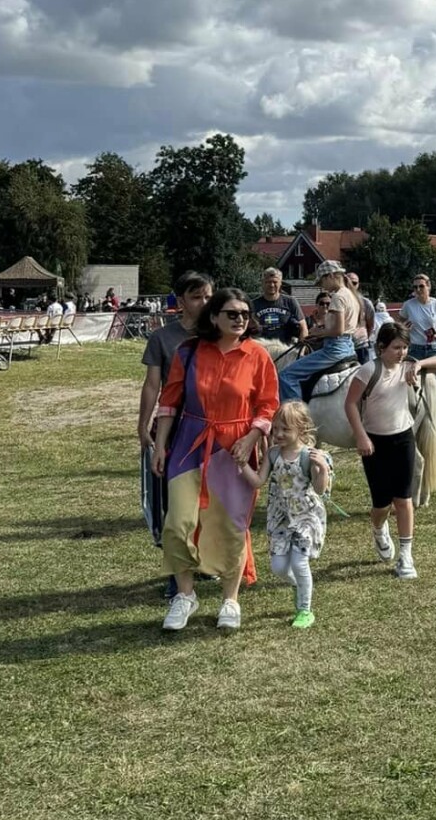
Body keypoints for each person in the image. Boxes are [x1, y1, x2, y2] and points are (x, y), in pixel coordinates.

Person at [153, 288, 280, 633]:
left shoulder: (258, 356)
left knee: (232, 526)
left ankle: (230, 599)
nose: (240, 319)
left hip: (236, 448)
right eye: (232, 313)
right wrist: (159, 446)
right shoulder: (189, 352)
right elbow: (168, 402)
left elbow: (267, 405)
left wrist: (252, 437)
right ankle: (185, 595)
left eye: (244, 314)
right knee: (177, 522)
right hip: (189, 444)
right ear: (214, 317)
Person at [138, 270, 215, 549]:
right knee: (176, 494)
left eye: (208, 296)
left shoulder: (221, 335)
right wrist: (143, 425)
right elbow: (151, 385)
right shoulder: (163, 338)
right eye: (196, 297)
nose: (204, 303)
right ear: (181, 301)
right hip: (173, 424)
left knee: (212, 496)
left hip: (211, 425)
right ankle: (178, 559)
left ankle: (208, 556)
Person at [344, 320, 421, 579]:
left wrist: (418, 364)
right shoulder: (368, 371)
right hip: (375, 442)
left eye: (405, 347)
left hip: (403, 438)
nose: (401, 352)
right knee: (381, 504)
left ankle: (406, 555)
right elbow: (350, 404)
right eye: (396, 347)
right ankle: (378, 529)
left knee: (404, 499)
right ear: (381, 348)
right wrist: (361, 436)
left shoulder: (408, 366)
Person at [259, 401, 331, 630]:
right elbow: (258, 481)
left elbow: (320, 490)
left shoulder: (308, 456)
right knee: (278, 567)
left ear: (302, 430)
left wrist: (323, 470)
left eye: (285, 429)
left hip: (306, 517)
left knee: (300, 562)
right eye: (276, 428)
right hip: (281, 517)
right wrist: (242, 466)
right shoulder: (272, 455)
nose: (278, 434)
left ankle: (304, 610)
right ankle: (300, 586)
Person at [278, 261, 359, 402]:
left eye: (321, 281)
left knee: (286, 375)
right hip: (349, 347)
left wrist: (316, 333)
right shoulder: (351, 295)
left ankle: (296, 418)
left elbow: (338, 330)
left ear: (331, 276)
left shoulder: (338, 297)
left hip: (335, 348)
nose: (321, 286)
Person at [252, 268, 307, 349]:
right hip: (261, 350)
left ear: (280, 283)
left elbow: (304, 328)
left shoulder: (290, 302)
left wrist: (300, 349)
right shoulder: (253, 304)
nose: (271, 285)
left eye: (275, 282)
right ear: (262, 283)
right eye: (268, 282)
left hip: (284, 351)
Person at [347, 271, 377, 365]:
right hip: (344, 346)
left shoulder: (366, 303)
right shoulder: (339, 301)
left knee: (364, 376)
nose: (351, 285)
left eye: (354, 283)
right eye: (348, 282)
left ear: (358, 284)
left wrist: (363, 338)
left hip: (361, 346)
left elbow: (370, 325)